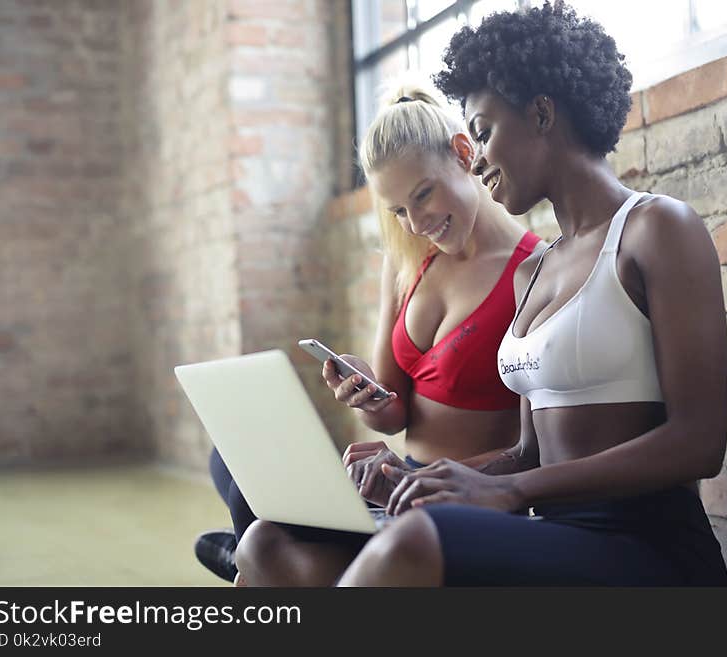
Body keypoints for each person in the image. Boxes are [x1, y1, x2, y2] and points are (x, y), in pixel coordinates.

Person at [326, 0, 727, 586]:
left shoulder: (657, 229)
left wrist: (512, 489)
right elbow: (527, 451)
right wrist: (429, 477)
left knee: (414, 540)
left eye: (484, 132)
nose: (479, 159)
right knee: (289, 543)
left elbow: (699, 444)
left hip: (647, 545)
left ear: (542, 113)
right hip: (552, 532)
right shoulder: (533, 273)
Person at [196, 80, 541, 584]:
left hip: (457, 498)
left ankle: (249, 566)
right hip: (394, 483)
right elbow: (393, 411)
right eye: (400, 210)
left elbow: (533, 450)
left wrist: (417, 479)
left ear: (464, 153)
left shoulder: (532, 272)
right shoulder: (409, 262)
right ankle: (255, 558)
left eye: (423, 194)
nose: (417, 223)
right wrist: (368, 395)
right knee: (235, 465)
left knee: (261, 538)